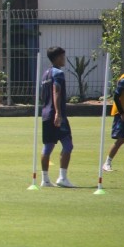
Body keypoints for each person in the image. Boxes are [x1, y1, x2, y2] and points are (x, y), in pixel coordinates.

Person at [40, 46, 75, 188]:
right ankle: (62, 177)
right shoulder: (58, 73)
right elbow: (56, 91)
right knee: (68, 145)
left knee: (48, 146)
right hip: (56, 114)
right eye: (62, 56)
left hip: (45, 114)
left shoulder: (45, 74)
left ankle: (45, 180)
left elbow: (43, 95)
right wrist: (58, 113)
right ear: (56, 58)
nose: (64, 59)